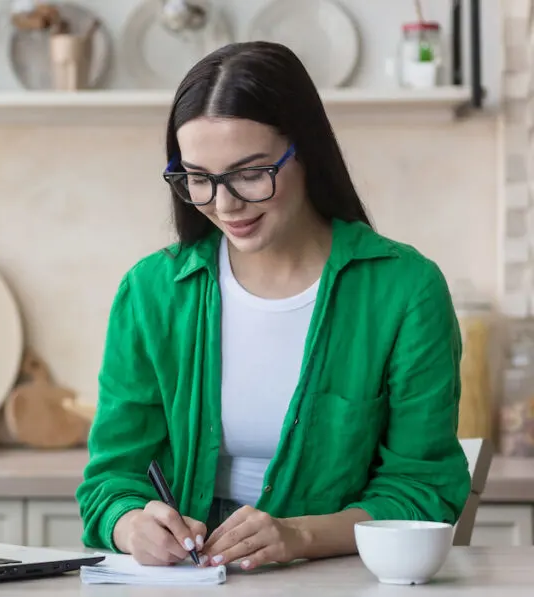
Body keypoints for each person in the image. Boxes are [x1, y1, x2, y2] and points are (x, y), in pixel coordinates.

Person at [74, 41, 471, 572]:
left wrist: (299, 536)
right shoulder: (152, 290)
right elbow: (109, 481)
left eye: (250, 173)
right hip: (187, 575)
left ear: (305, 152)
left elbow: (423, 490)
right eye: (198, 177)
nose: (225, 203)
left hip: (334, 567)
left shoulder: (404, 289)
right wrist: (131, 526)